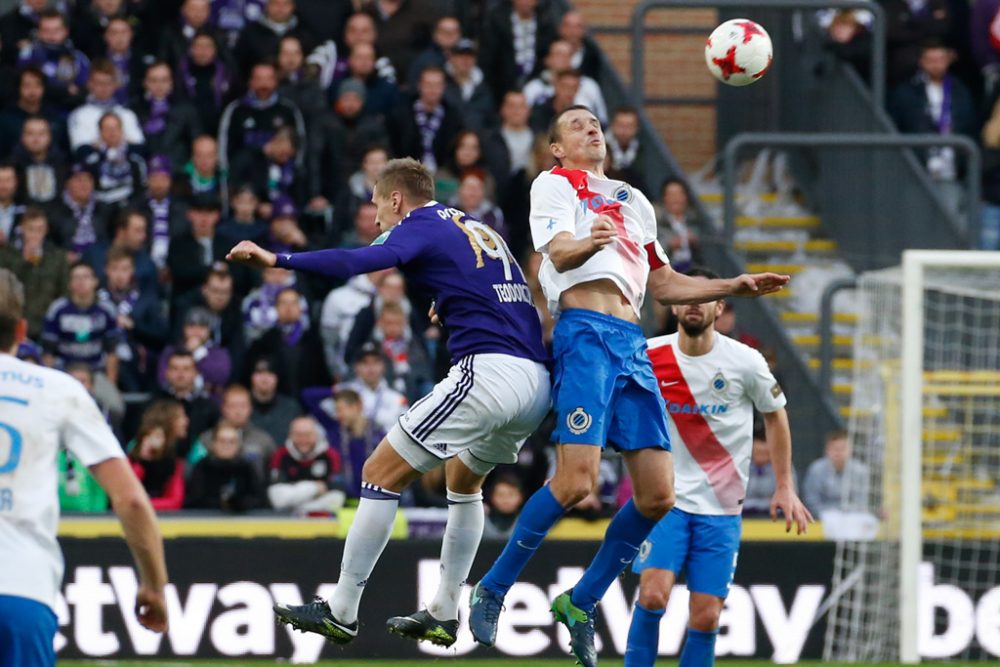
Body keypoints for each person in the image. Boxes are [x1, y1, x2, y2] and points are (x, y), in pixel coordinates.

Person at [467, 105, 789, 667]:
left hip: (631, 342)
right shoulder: (554, 184)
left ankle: (580, 601)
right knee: (575, 482)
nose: (591, 127)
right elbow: (558, 251)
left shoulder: (634, 201)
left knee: (659, 494)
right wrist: (590, 242)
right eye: (575, 124)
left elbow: (664, 284)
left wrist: (732, 285)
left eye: (594, 121)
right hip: (585, 334)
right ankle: (493, 586)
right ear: (558, 148)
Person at [227, 157, 550, 647]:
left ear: (396, 199)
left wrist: (280, 260)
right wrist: (450, 299)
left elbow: (355, 262)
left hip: (489, 372)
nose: (377, 219)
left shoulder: (419, 224)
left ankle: (342, 609)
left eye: (378, 205)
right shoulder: (472, 225)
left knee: (379, 472)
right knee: (464, 482)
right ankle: (443, 611)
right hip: (534, 381)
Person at [624, 267, 811, 667]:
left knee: (706, 616)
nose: (694, 303)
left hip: (722, 507)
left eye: (704, 297)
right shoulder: (649, 356)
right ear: (674, 306)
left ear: (719, 306)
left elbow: (776, 416)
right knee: (653, 593)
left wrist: (784, 485)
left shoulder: (746, 361)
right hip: (666, 500)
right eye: (686, 296)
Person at [0, 269, 168, 666]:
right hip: (22, 589)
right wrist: (154, 586)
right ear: (23, 331)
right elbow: (129, 499)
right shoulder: (57, 390)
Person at [267, 415, 346, 514]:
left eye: (308, 435)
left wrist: (298, 505)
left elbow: (337, 498)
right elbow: (277, 500)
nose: (303, 440)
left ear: (316, 435)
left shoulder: (330, 456)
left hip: (322, 522)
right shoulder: (280, 455)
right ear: (290, 435)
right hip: (285, 521)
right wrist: (315, 488)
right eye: (298, 435)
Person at [802, 430, 870, 516]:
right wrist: (827, 515)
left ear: (851, 450)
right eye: (835, 449)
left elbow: (861, 501)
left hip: (852, 518)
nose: (839, 453)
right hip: (822, 518)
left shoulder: (860, 471)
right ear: (827, 451)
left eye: (843, 449)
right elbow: (811, 500)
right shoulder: (816, 470)